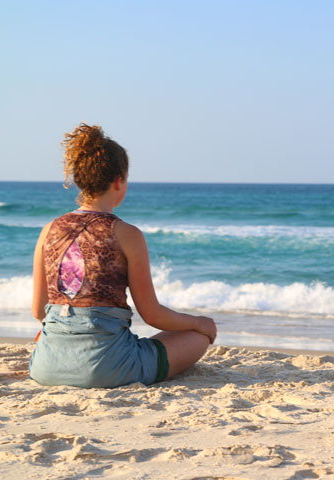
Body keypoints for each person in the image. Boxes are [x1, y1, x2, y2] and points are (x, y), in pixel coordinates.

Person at [30, 123, 217, 388]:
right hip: (108, 369)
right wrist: (200, 323)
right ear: (119, 181)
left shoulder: (48, 230)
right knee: (196, 336)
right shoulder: (127, 234)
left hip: (45, 367)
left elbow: (39, 310)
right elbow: (152, 314)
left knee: (50, 333)